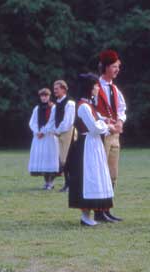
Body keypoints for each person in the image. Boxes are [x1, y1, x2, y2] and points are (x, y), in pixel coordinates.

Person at [68, 73, 114, 226]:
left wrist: (104, 121)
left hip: (93, 144)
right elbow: (93, 128)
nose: (97, 88)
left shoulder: (89, 105)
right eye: (95, 85)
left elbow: (97, 120)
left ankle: (91, 214)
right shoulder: (83, 106)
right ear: (88, 87)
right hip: (87, 145)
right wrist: (108, 126)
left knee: (95, 176)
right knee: (88, 178)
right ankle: (85, 216)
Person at [94, 49, 126, 222]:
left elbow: (121, 108)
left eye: (118, 66)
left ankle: (107, 208)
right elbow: (93, 111)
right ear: (105, 67)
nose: (117, 69)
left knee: (113, 173)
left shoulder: (114, 88)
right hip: (103, 135)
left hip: (115, 135)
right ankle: (98, 210)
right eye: (114, 66)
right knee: (101, 173)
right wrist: (108, 125)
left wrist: (120, 121)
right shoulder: (96, 88)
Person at [28, 88, 59, 189]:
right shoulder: (37, 108)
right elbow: (32, 122)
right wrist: (37, 131)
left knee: (50, 159)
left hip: (49, 136)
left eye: (46, 95)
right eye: (42, 96)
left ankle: (51, 182)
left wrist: (43, 131)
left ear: (49, 96)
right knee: (43, 160)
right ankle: (46, 182)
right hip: (39, 137)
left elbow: (52, 121)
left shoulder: (53, 107)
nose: (44, 97)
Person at [51, 80, 76, 193]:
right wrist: (55, 130)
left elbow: (68, 122)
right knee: (63, 159)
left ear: (64, 89)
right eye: (54, 88)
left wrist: (58, 130)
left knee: (68, 159)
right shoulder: (57, 103)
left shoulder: (69, 103)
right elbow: (54, 119)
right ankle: (67, 184)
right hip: (60, 133)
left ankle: (71, 184)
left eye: (57, 88)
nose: (55, 90)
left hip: (68, 132)